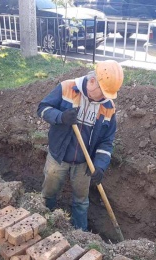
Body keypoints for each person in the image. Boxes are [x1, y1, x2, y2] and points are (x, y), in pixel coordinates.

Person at [37, 60, 124, 231]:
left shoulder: (107, 107)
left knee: (81, 202)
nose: (104, 97)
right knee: (48, 194)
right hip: (58, 157)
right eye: (103, 92)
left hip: (85, 163)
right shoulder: (67, 88)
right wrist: (61, 117)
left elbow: (106, 141)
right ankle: (45, 224)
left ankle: (81, 235)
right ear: (92, 81)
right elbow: (42, 108)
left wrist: (99, 165)